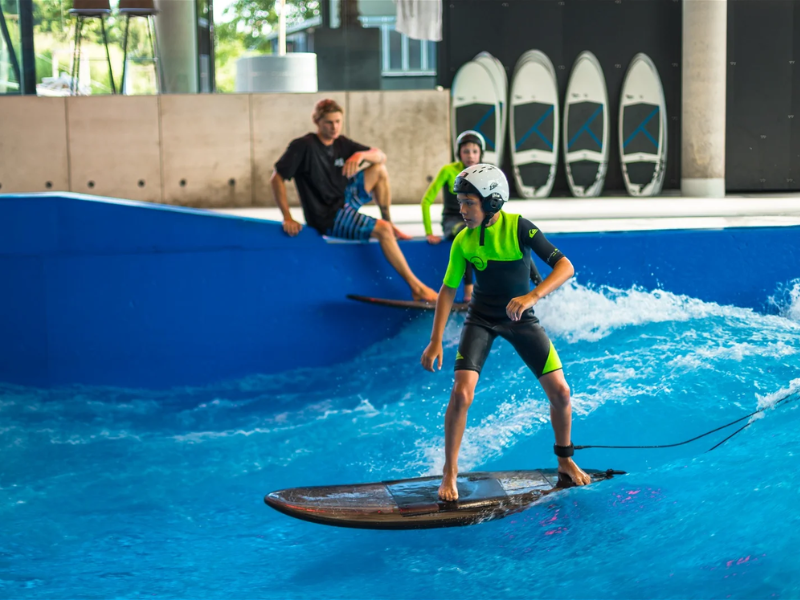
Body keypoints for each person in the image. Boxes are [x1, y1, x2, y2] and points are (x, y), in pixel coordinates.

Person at [420, 163, 590, 501]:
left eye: (470, 202)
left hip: (521, 318)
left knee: (561, 392)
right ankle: (450, 471)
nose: (462, 210)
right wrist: (435, 339)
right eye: (460, 202)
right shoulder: (463, 241)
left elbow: (565, 266)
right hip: (481, 318)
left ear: (493, 202)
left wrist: (531, 297)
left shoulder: (520, 228)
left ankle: (565, 461)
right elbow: (447, 291)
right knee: (461, 394)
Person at [271, 99, 437, 302]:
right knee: (381, 230)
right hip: (328, 217)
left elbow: (380, 156)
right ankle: (417, 288)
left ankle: (391, 223)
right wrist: (287, 216)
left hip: (344, 201)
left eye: (338, 122)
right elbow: (277, 178)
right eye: (329, 123)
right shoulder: (303, 146)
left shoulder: (342, 143)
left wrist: (360, 155)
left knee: (379, 170)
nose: (334, 128)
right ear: (316, 121)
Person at [420, 130, 485, 302]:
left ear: (480, 154)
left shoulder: (485, 172)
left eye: (474, 151)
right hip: (453, 222)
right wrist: (429, 231)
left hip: (476, 222)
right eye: (466, 151)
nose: (470, 156)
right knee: (468, 233)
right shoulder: (449, 171)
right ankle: (468, 291)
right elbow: (426, 201)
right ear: (459, 154)